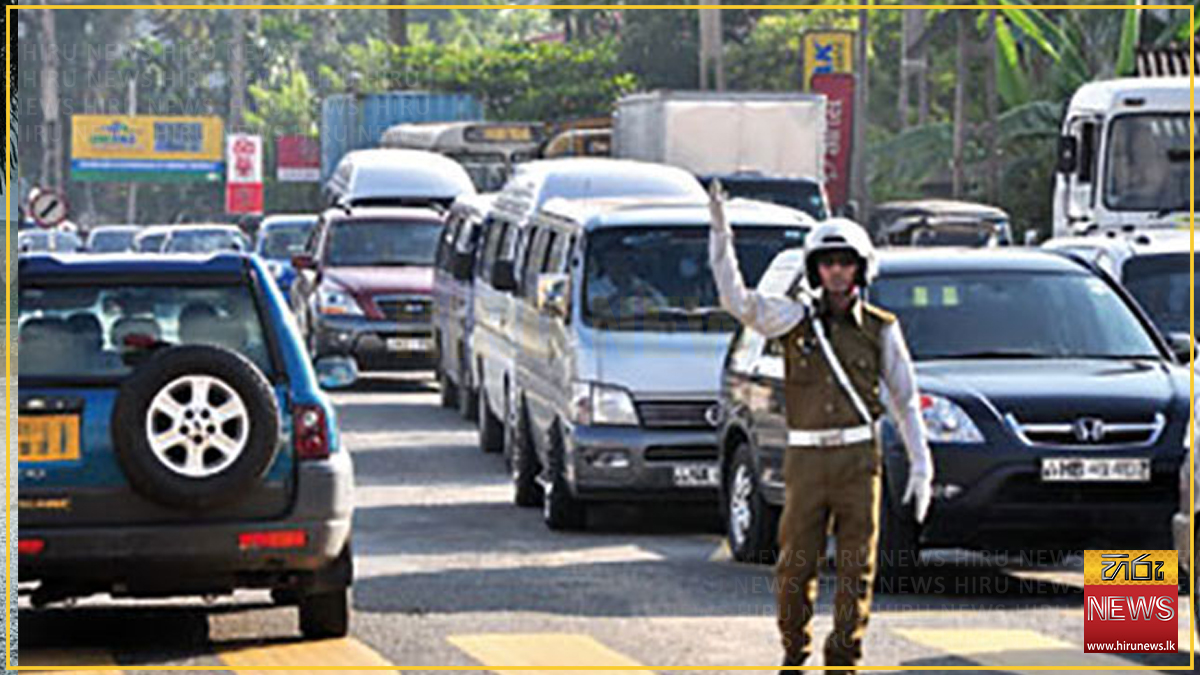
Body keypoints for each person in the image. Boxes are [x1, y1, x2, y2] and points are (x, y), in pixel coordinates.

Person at [708, 181, 933, 674]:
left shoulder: (881, 327)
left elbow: (904, 398)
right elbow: (736, 300)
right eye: (827, 262)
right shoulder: (792, 321)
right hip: (806, 459)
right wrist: (720, 235)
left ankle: (844, 656)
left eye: (845, 262)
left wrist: (922, 464)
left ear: (860, 267)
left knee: (857, 568)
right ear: (814, 269)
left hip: (859, 459)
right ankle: (794, 649)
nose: (836, 271)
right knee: (794, 566)